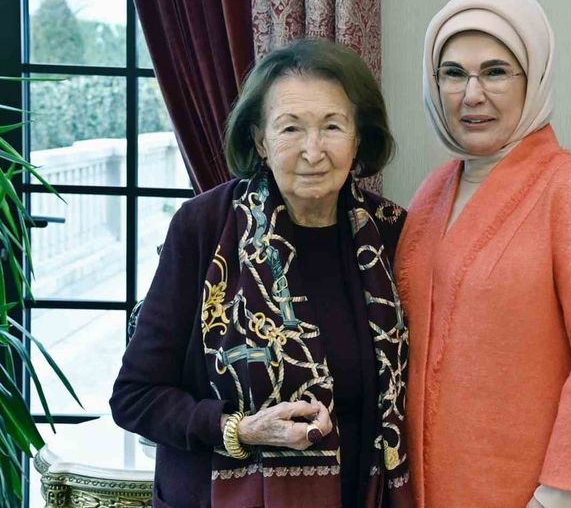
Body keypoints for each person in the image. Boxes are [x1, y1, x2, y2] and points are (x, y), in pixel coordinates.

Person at [111, 39, 412, 508]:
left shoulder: (392, 232)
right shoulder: (204, 227)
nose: (313, 150)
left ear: (358, 139)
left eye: (332, 126)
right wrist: (241, 429)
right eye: (290, 128)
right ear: (259, 140)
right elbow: (136, 396)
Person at [394, 0, 571, 507]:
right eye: (453, 73)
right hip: (428, 487)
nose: (472, 95)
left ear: (533, 79)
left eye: (495, 72)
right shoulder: (431, 193)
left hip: (534, 493)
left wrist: (556, 500)